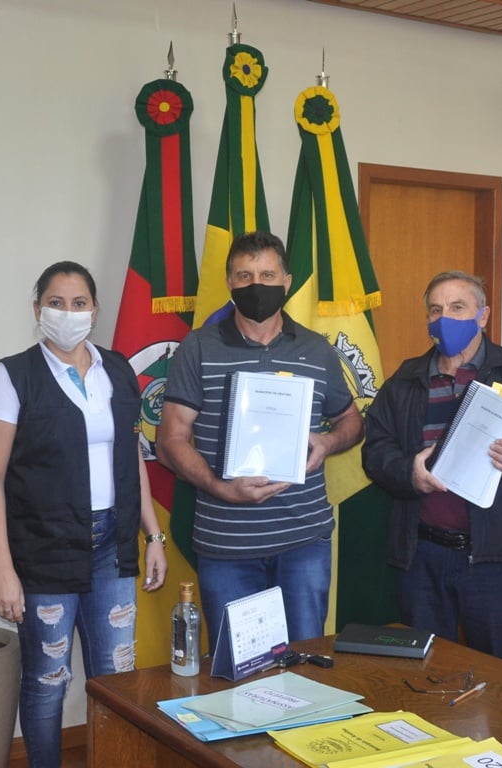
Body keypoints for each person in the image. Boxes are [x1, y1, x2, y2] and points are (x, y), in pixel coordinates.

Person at [0, 261, 167, 768]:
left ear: (94, 310)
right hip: (45, 549)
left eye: (79, 303)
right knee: (48, 680)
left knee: (117, 675)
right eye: (56, 303)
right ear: (37, 309)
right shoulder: (11, 376)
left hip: (112, 545)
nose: (68, 312)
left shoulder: (117, 370)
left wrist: (153, 535)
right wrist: (2, 569)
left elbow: (131, 459)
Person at [157, 231, 363, 646]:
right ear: (229, 283)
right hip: (227, 546)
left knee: (303, 663)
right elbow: (170, 440)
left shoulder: (317, 350)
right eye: (244, 276)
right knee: (239, 669)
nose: (257, 285)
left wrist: (326, 443)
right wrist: (220, 487)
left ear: (286, 282)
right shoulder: (198, 348)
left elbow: (351, 422)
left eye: (267, 275)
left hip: (303, 541)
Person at [361, 271, 502, 662]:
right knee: (424, 667)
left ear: (483, 315)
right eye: (435, 310)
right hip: (421, 556)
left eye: (458, 308)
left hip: (495, 559)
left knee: (497, 671)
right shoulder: (405, 379)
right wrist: (409, 472)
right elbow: (375, 451)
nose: (445, 318)